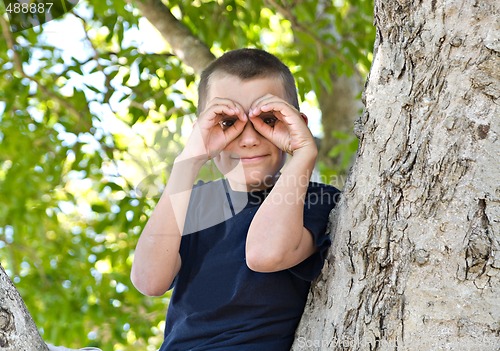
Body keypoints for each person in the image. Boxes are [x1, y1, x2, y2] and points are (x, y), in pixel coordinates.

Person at [130, 48, 340, 350]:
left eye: (268, 119)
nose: (249, 139)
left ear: (297, 123)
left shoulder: (316, 198)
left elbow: (264, 254)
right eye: (228, 122)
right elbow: (149, 280)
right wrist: (188, 160)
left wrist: (304, 152)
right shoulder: (194, 202)